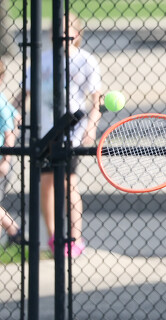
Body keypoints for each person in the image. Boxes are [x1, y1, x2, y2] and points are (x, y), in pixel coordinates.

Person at [15, 15, 102, 257]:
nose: (62, 34)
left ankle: (74, 238)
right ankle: (54, 239)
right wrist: (13, 113)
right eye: (57, 30)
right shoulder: (41, 61)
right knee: (46, 185)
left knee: (67, 183)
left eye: (67, 30)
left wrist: (91, 126)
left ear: (77, 34)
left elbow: (96, 100)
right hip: (45, 134)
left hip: (70, 133)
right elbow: (23, 95)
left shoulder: (86, 61)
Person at [0, 59, 23, 246]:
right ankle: (14, 232)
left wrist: (6, 161)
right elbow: (16, 116)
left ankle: (15, 231)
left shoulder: (0, 101)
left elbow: (10, 133)